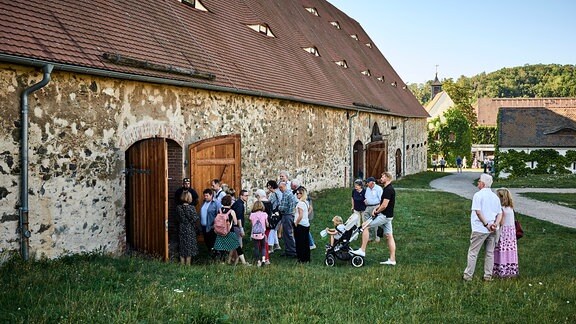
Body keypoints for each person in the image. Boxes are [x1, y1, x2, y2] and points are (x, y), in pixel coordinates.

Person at [463, 173, 503, 282]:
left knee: (473, 252)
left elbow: (478, 212)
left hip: (480, 228)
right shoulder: (495, 197)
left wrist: (486, 224)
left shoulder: (478, 195)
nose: (478, 183)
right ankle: (488, 276)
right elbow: (500, 213)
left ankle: (468, 276)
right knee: (489, 253)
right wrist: (495, 224)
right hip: (493, 229)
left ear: (483, 183)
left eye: (479, 181)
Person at [352, 172, 397, 265]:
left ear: (388, 178)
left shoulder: (388, 190)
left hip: (384, 216)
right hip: (388, 216)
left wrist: (377, 211)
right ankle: (392, 260)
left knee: (365, 226)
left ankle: (362, 250)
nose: (381, 178)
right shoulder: (387, 188)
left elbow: (384, 205)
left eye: (383, 176)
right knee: (389, 236)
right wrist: (376, 208)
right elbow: (382, 203)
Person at [213, 195, 251, 266]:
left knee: (221, 247)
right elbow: (236, 222)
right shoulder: (231, 211)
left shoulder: (220, 210)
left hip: (220, 231)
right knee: (238, 247)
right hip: (229, 232)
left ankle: (222, 262)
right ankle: (244, 263)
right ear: (230, 202)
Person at [493, 188, 519, 278]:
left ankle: (501, 270)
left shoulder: (502, 209)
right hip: (511, 233)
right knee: (510, 251)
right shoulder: (510, 208)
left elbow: (501, 222)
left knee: (501, 251)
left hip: (504, 232)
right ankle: (511, 270)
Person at [176, 191, 200, 265]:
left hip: (181, 228)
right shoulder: (192, 208)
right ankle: (188, 264)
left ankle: (182, 264)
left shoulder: (178, 207)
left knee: (182, 246)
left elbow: (177, 218)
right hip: (190, 229)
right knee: (189, 247)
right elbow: (195, 218)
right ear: (189, 198)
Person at [278, 181, 297, 257]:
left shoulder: (286, 194)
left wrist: (278, 208)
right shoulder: (290, 192)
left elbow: (283, 207)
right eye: (279, 188)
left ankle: (292, 251)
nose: (280, 189)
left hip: (287, 215)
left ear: (285, 186)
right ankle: (289, 250)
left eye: (281, 187)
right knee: (287, 233)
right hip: (291, 214)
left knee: (288, 234)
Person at [199, 188, 221, 254]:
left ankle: (216, 257)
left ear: (211, 195)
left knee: (212, 243)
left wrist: (215, 225)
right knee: (207, 242)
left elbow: (219, 215)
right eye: (204, 196)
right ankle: (211, 256)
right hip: (204, 226)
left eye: (207, 196)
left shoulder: (216, 203)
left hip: (211, 227)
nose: (205, 197)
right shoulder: (204, 202)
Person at [230, 189, 249, 263]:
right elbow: (239, 218)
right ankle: (236, 261)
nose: (247, 197)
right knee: (239, 245)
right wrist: (241, 229)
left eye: (248, 196)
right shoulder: (240, 205)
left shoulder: (237, 203)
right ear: (241, 196)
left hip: (234, 227)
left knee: (235, 245)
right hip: (237, 227)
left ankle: (233, 260)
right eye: (246, 196)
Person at [255, 188, 272, 264]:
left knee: (260, 243)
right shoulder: (269, 202)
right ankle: (265, 258)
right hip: (268, 225)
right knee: (265, 241)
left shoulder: (260, 204)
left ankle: (264, 258)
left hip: (260, 226)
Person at [249, 200, 269, 267]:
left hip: (255, 234)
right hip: (262, 233)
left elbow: (252, 225)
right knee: (263, 247)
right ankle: (263, 259)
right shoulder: (265, 214)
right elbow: (267, 224)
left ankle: (258, 262)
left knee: (256, 248)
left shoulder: (252, 215)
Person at [294, 187, 311, 263]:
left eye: (298, 193)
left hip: (300, 224)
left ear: (301, 194)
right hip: (306, 224)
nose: (296, 195)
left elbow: (300, 215)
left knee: (299, 242)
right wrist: (306, 215)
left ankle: (301, 258)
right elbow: (310, 209)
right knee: (305, 242)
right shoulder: (306, 202)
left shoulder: (300, 203)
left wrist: (296, 223)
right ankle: (306, 258)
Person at [363, 176, 383, 242]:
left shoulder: (378, 189)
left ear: (372, 183)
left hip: (376, 206)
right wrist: (366, 200)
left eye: (368, 182)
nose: (367, 184)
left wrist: (378, 208)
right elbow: (366, 196)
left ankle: (377, 238)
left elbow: (381, 200)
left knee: (376, 222)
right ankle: (370, 237)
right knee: (367, 221)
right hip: (368, 207)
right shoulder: (368, 189)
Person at [266, 180, 282, 252]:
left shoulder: (275, 193)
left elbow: (270, 202)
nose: (267, 187)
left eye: (268, 186)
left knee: (272, 229)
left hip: (275, 213)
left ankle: (271, 247)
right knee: (274, 229)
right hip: (277, 213)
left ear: (271, 186)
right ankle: (277, 245)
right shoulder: (276, 192)